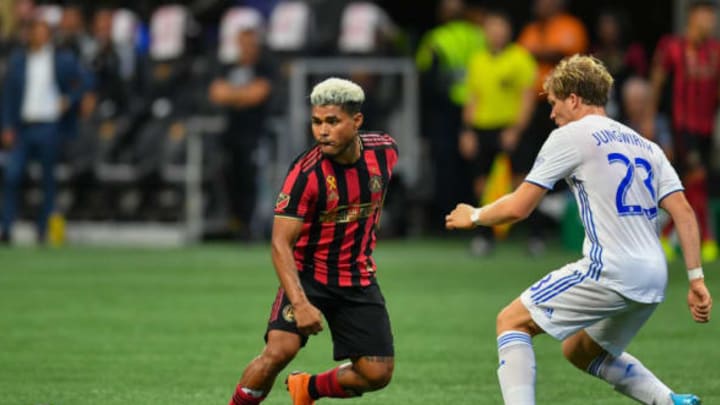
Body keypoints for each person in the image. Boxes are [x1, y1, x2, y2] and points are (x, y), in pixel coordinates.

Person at [446, 55, 712, 405]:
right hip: (652, 277)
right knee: (580, 350)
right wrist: (695, 279)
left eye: (555, 104)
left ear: (573, 99)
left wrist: (476, 215)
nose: (552, 114)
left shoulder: (570, 136)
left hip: (611, 269)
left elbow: (519, 207)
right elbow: (684, 211)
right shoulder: (645, 145)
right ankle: (669, 401)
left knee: (511, 322)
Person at [227, 77, 398, 405]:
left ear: (356, 121)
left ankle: (308, 389)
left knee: (378, 374)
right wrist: (302, 303)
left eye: (332, 122)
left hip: (357, 278)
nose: (322, 131)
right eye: (317, 122)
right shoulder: (305, 174)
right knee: (279, 351)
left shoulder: (385, 151)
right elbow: (280, 245)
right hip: (309, 276)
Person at [459, 8, 536, 255]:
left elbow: (527, 99)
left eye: (500, 27)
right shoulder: (477, 60)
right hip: (483, 128)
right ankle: (485, 237)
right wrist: (467, 131)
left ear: (508, 30)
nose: (495, 32)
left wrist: (515, 129)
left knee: (523, 183)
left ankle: (535, 236)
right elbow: (472, 98)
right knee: (482, 185)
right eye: (491, 27)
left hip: (511, 127)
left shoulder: (521, 58)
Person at [1, 18, 85, 243]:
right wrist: (6, 126)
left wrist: (69, 100)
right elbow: (8, 96)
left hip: (49, 126)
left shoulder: (61, 60)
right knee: (12, 175)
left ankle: (42, 229)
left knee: (48, 181)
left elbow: (82, 82)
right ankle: (6, 227)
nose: (38, 36)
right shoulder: (18, 61)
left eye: (42, 32)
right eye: (34, 32)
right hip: (24, 127)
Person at [516, 0, 588, 253]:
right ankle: (536, 232)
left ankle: (581, 228)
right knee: (536, 166)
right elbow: (522, 57)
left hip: (564, 104)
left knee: (571, 165)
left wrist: (539, 53)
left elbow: (567, 57)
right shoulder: (531, 29)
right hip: (535, 104)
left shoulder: (570, 26)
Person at [650, 0, 719, 262]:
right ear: (692, 17)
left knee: (691, 185)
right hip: (682, 127)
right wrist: (650, 120)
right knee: (697, 179)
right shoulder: (673, 47)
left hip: (706, 129)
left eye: (712, 18)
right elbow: (657, 84)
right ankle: (707, 240)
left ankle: (667, 237)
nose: (710, 23)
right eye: (706, 17)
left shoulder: (715, 51)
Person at [415, 0, 485, 228]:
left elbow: (425, 75)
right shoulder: (478, 36)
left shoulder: (436, 38)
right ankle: (477, 219)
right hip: (477, 107)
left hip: (445, 110)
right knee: (475, 166)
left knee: (445, 165)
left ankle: (446, 220)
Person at [208, 26, 274, 239]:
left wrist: (233, 95)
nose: (246, 48)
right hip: (231, 135)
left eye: (250, 43)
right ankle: (233, 222)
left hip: (256, 135)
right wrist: (242, 95)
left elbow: (258, 94)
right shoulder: (227, 67)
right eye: (243, 43)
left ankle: (252, 226)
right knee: (228, 177)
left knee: (252, 180)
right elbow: (216, 93)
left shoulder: (264, 68)